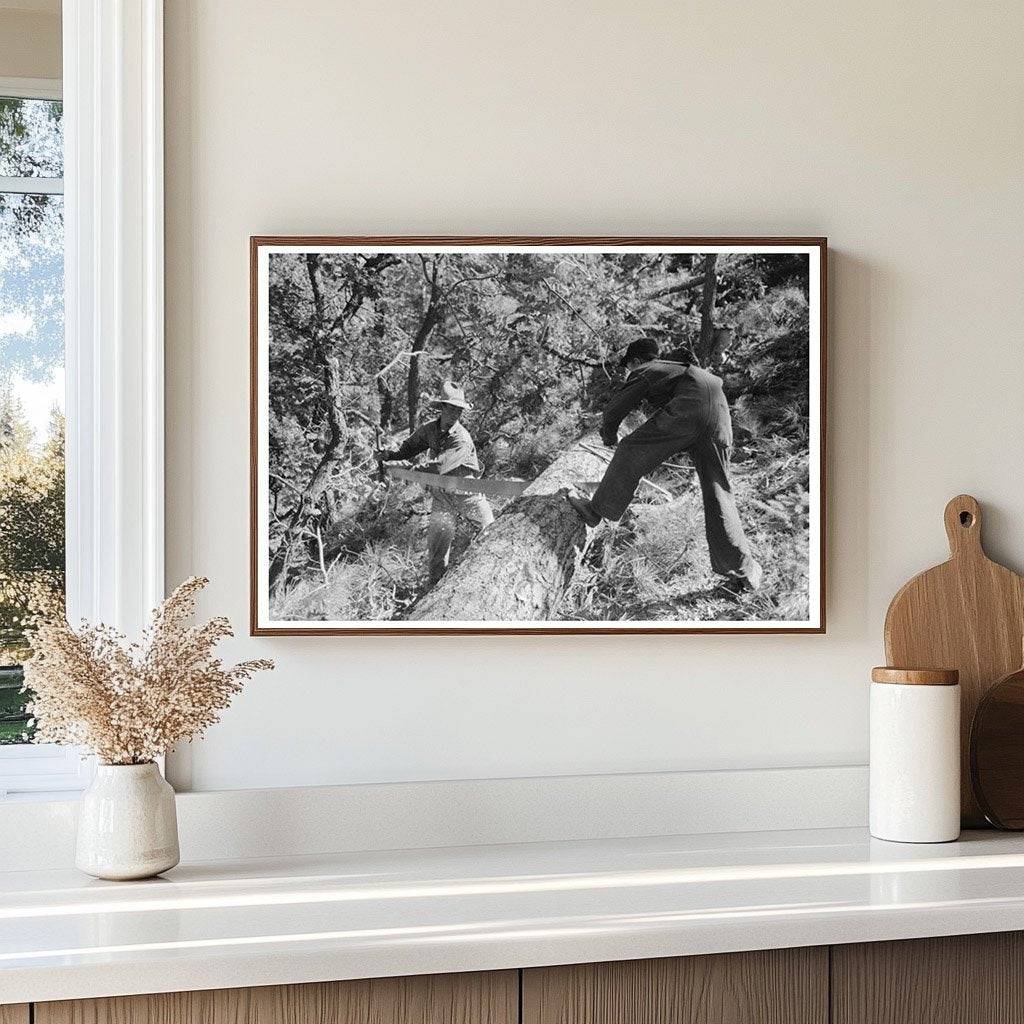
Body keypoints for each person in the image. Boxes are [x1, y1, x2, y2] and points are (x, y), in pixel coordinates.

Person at [567, 338, 763, 592]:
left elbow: (615, 408)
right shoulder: (676, 369)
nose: (629, 372)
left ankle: (597, 510)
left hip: (691, 408)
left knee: (630, 449)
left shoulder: (644, 369)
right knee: (719, 491)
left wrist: (609, 435)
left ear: (636, 361)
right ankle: (743, 569)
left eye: (628, 367)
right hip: (719, 415)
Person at [378, 382, 494, 585]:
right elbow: (409, 448)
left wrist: (409, 470)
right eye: (451, 408)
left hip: (466, 494)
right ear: (442, 407)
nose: (455, 414)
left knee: (490, 531)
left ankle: (487, 580)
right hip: (442, 496)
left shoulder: (462, 438)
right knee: (437, 550)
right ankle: (433, 589)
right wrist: (388, 455)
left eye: (459, 410)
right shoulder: (430, 429)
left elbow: (439, 467)